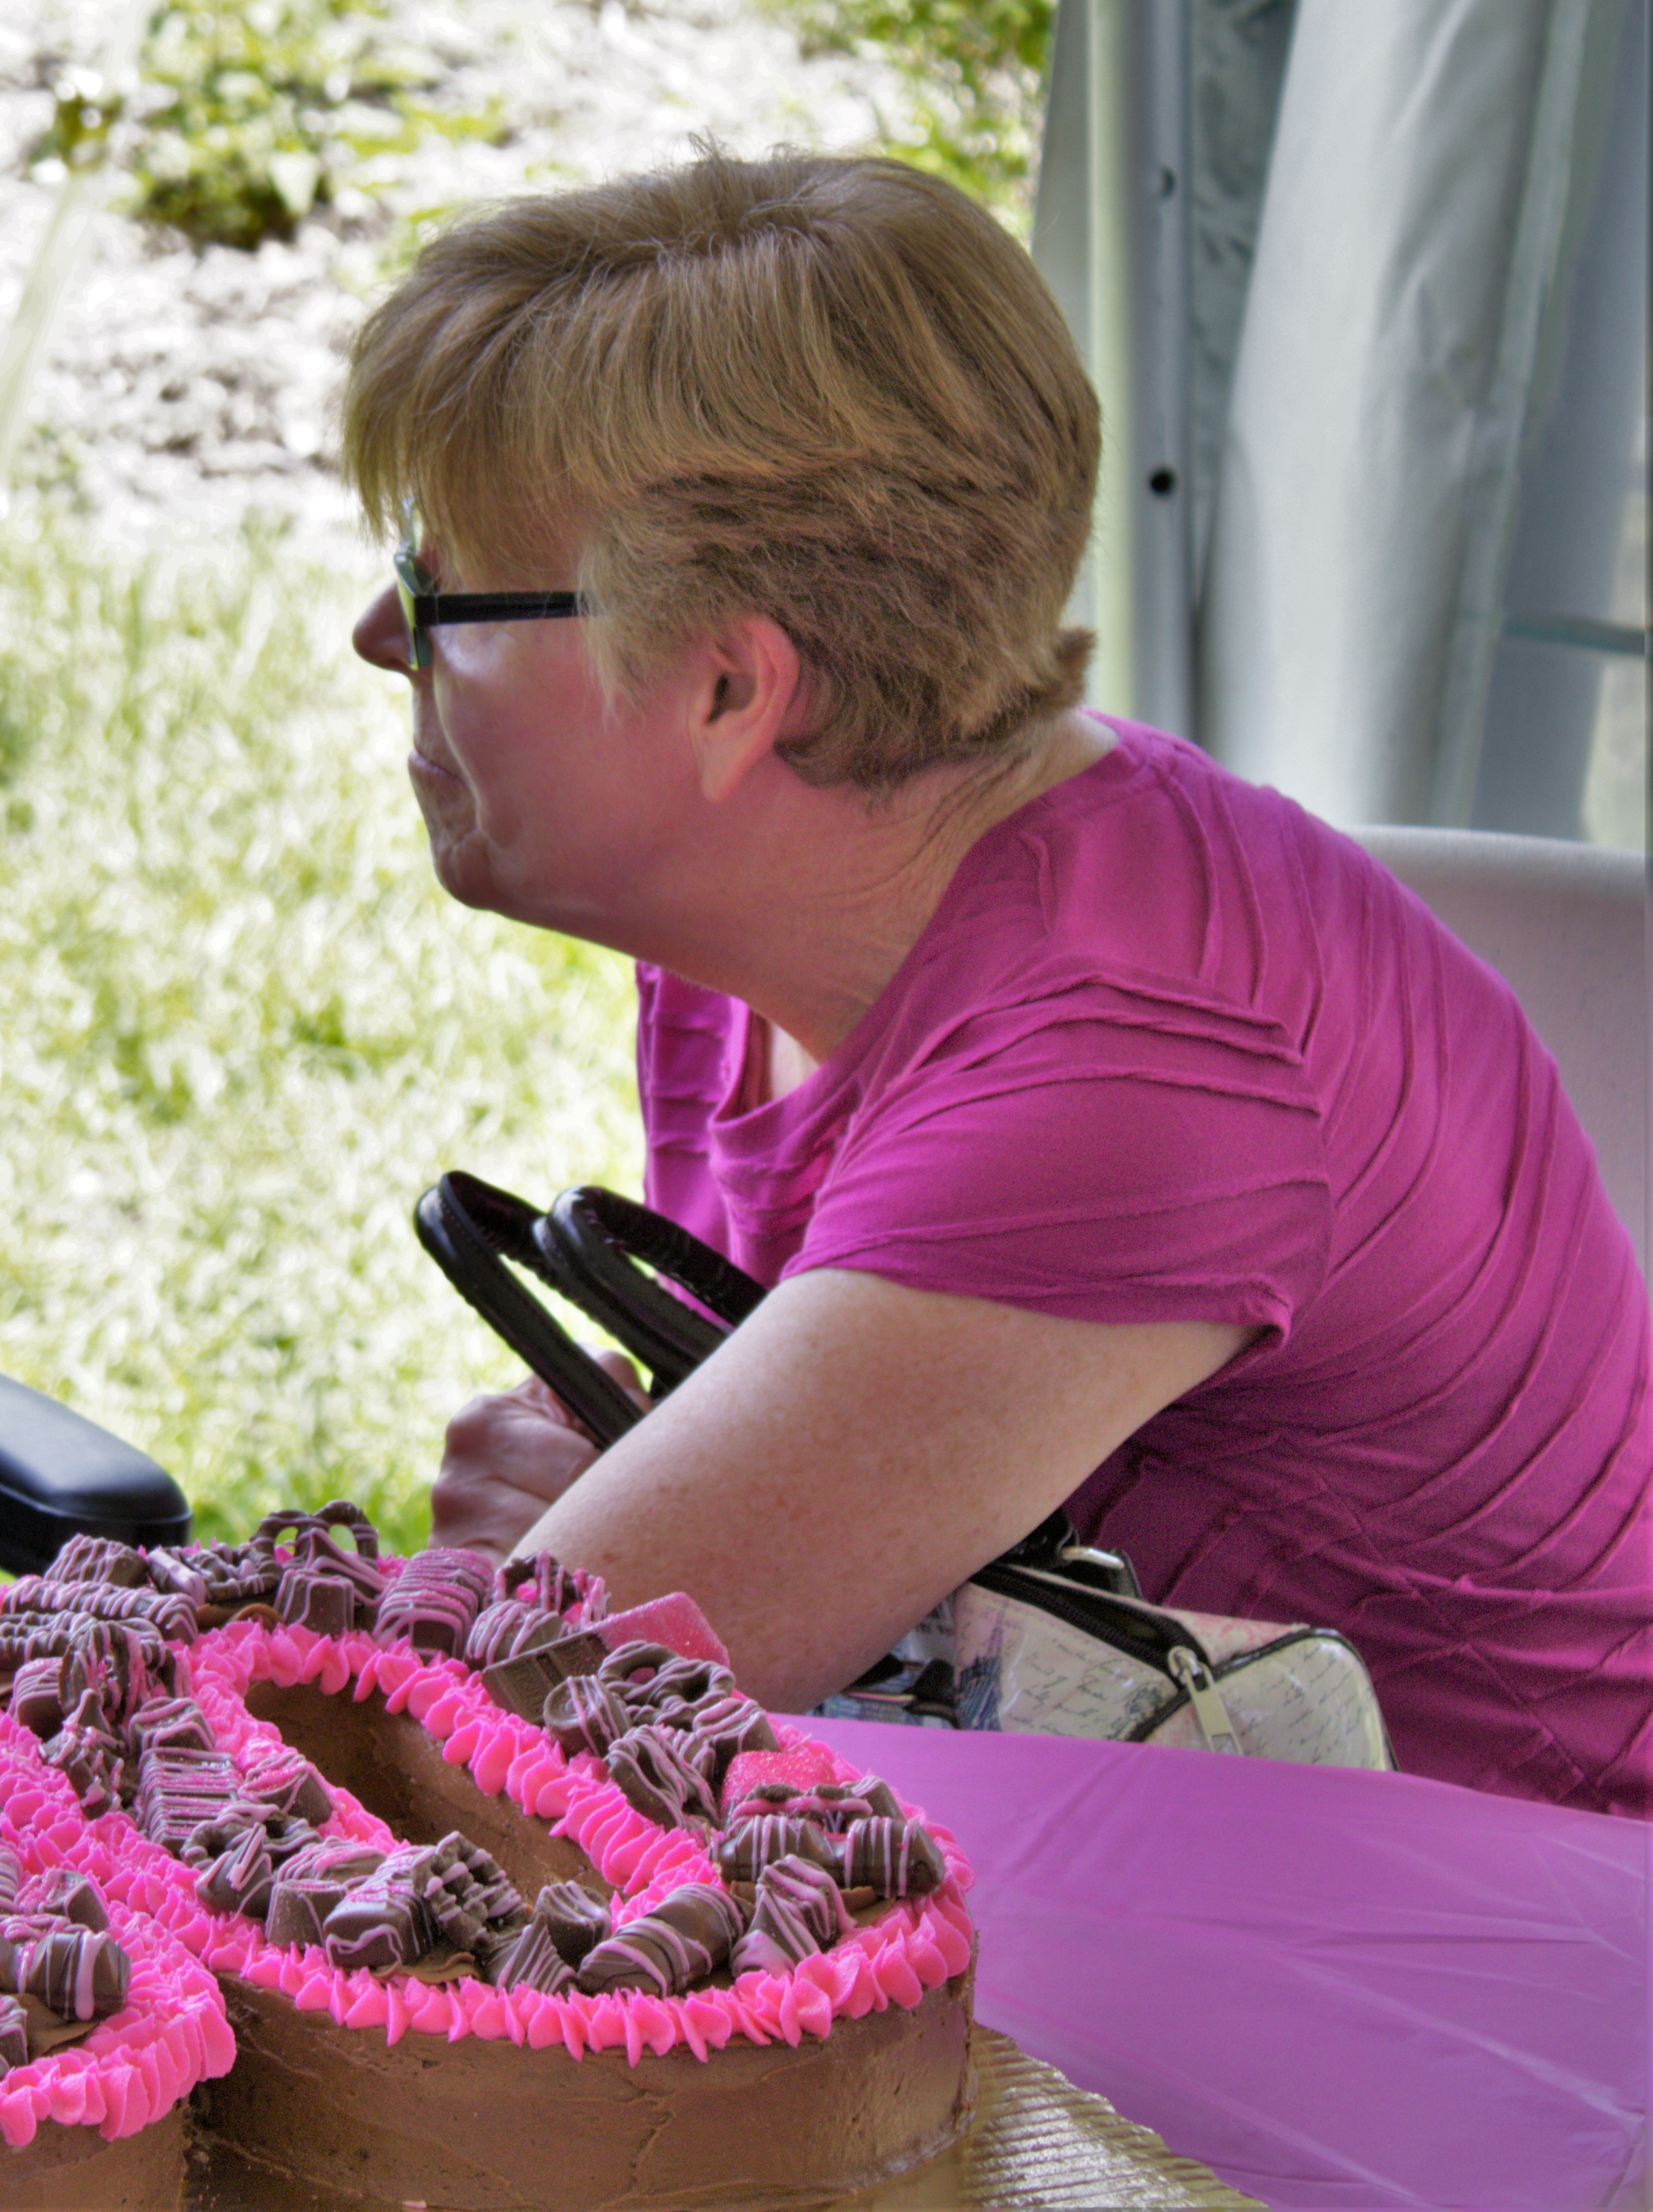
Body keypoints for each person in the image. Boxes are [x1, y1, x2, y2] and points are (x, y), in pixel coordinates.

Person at [345, 150, 1649, 1814]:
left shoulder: (1122, 1068)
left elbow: (498, 1755)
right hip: (1133, 1858)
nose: (382, 638)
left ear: (730, 692)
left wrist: (566, 1567)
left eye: (439, 588)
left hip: (1497, 1972)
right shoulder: (778, 913)